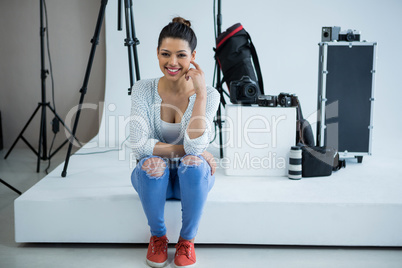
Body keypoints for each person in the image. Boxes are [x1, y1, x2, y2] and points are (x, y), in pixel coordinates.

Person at [130, 17, 220, 268]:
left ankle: (186, 241)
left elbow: (193, 150)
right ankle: (158, 237)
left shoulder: (210, 94)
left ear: (193, 56)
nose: (172, 62)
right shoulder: (142, 89)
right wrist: (198, 152)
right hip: (152, 179)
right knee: (153, 164)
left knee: (193, 163)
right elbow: (137, 145)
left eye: (181, 55)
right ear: (157, 54)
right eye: (165, 54)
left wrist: (200, 95)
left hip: (189, 182)